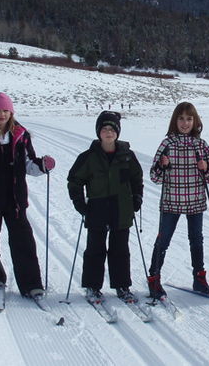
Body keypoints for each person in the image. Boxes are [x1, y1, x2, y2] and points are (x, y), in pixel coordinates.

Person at [0, 92, 55, 298]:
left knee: (23, 239)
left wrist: (42, 165)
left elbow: (29, 165)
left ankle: (31, 284)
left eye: (5, 110)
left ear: (11, 113)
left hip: (15, 198)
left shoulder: (21, 135)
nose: (1, 114)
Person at [67, 111, 143, 303]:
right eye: (104, 129)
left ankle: (122, 286)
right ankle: (92, 287)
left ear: (117, 132)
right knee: (95, 248)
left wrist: (137, 197)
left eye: (112, 129)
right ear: (98, 132)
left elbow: (136, 178)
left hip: (122, 208)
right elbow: (74, 180)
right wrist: (79, 203)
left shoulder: (127, 155)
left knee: (120, 249)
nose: (108, 132)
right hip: (97, 207)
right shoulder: (89, 157)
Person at [147, 102, 209, 299]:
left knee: (197, 240)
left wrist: (204, 168)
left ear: (195, 121)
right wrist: (163, 165)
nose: (185, 123)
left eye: (189, 118)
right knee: (164, 240)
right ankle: (154, 277)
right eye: (181, 118)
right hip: (171, 200)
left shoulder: (201, 145)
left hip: (195, 199)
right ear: (174, 121)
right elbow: (155, 177)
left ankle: (199, 278)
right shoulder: (167, 144)